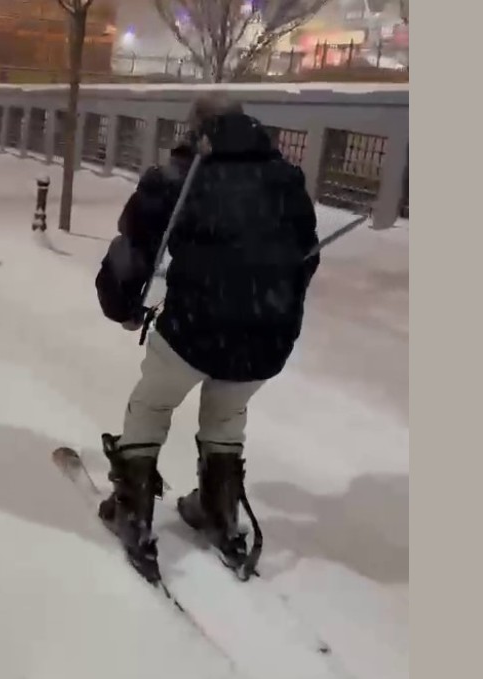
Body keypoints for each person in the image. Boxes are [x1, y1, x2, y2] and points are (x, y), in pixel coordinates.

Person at [94, 96, 320, 583]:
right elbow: (307, 256)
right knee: (228, 409)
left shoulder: (181, 177)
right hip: (268, 336)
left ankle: (131, 510)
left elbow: (135, 249)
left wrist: (124, 307)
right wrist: (269, 307)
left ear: (195, 129)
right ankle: (218, 510)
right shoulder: (285, 179)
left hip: (195, 326)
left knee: (153, 403)